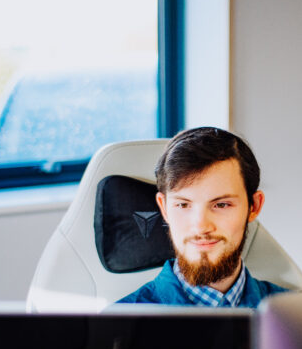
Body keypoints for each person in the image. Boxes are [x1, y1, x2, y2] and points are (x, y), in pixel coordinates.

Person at [116, 127, 289, 307]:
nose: (200, 226)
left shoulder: (301, 320)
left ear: (254, 207)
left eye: (221, 204)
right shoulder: (113, 326)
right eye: (183, 205)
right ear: (164, 209)